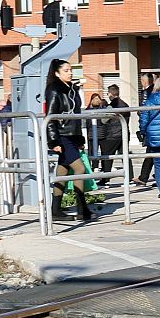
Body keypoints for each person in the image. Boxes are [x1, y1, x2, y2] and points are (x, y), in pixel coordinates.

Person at [43, 59, 94, 221]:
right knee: (79, 169)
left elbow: (76, 116)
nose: (70, 73)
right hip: (62, 135)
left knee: (63, 170)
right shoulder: (54, 90)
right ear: (57, 73)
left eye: (70, 70)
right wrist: (54, 141)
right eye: (66, 70)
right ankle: (82, 208)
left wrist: (79, 138)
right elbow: (50, 117)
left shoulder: (71, 89)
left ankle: (55, 209)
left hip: (72, 135)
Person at [86, 92, 120, 181]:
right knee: (92, 152)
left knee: (104, 153)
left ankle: (104, 170)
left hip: (103, 134)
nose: (96, 100)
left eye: (98, 98)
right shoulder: (88, 110)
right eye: (95, 98)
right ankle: (94, 167)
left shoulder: (103, 109)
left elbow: (106, 122)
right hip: (91, 135)